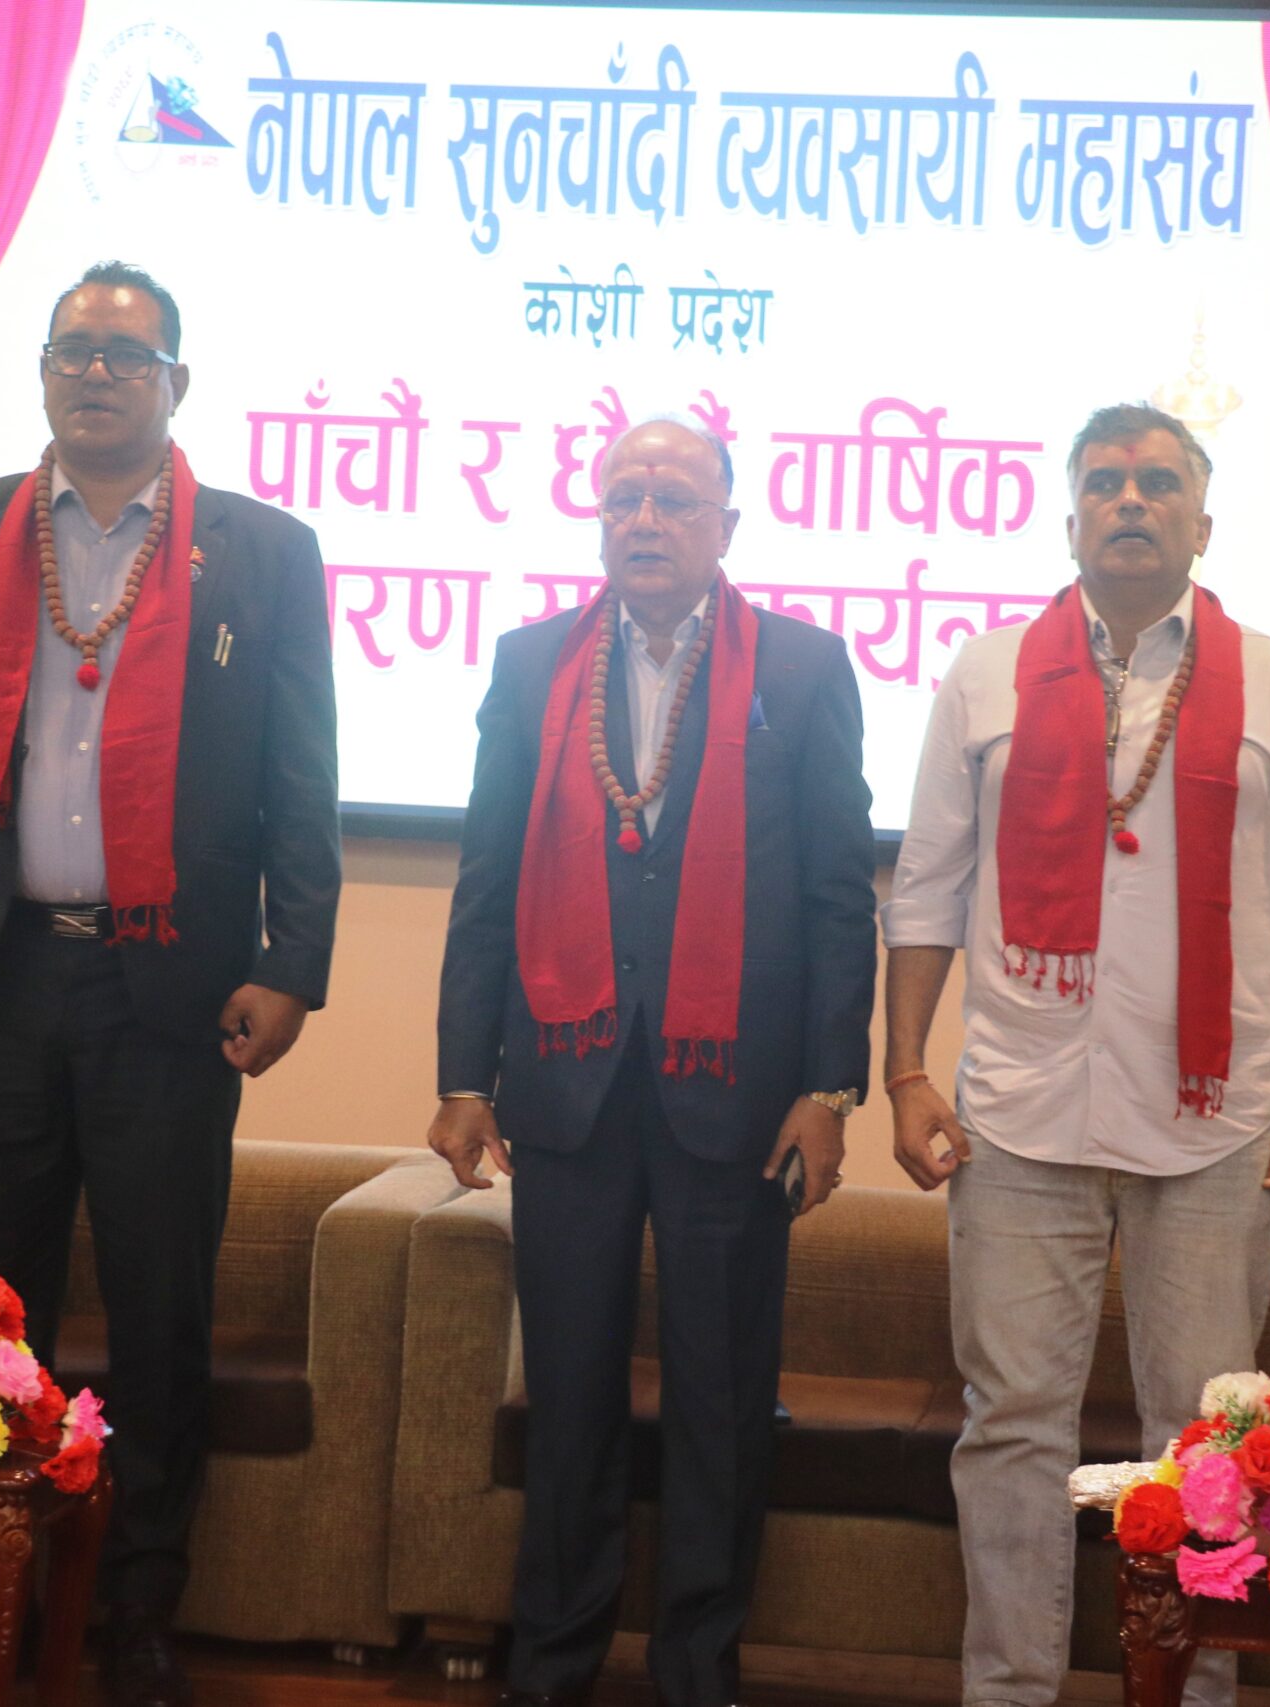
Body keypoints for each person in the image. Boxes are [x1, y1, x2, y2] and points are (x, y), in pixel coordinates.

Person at [0, 261, 339, 1707]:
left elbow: (304, 776)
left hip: (168, 991)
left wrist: (292, 964)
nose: (97, 375)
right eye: (73, 351)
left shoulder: (262, 550)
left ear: (177, 382)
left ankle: (136, 1615)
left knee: (159, 1312)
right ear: (46, 373)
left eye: (127, 356)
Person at [880, 402, 1270, 1707]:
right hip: (1018, 1116)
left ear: (1204, 523)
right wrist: (907, 1071)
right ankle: (1009, 1692)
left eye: (1157, 482)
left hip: (1216, 1125)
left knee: (1207, 1441)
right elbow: (926, 888)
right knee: (1011, 1431)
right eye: (1104, 483)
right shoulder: (986, 673)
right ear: (1071, 519)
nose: (1130, 501)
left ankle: (1193, 1696)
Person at [428, 417, 877, 1707]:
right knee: (568, 1394)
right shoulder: (532, 664)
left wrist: (828, 1088)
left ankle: (697, 1671)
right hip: (565, 1088)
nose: (645, 520)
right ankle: (551, 1668)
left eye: (674, 499)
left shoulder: (800, 667)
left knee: (720, 1404)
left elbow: (838, 896)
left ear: (727, 523)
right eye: (623, 497)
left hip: (736, 1096)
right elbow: (487, 878)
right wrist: (463, 1076)